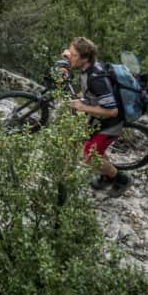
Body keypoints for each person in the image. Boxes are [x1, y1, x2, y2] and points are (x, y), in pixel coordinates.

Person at [62, 37, 132, 196]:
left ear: (84, 58)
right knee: (92, 148)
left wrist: (83, 106)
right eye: (70, 53)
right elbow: (76, 57)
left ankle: (120, 179)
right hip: (97, 119)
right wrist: (68, 55)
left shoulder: (97, 78)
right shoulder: (87, 65)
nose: (70, 57)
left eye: (73, 55)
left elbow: (112, 111)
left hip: (111, 122)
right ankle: (106, 175)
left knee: (90, 156)